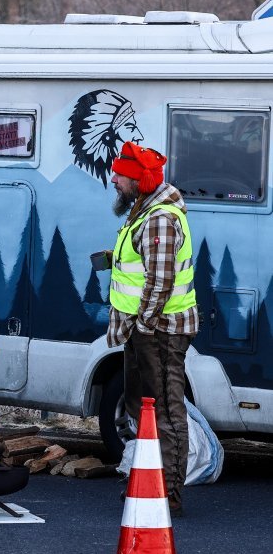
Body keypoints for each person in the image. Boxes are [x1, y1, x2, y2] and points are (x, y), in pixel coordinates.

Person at [106, 141, 199, 517]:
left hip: (159, 331)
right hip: (145, 330)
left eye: (120, 175)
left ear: (139, 180)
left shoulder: (159, 218)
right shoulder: (143, 210)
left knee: (164, 411)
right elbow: (144, 269)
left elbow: (160, 283)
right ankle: (147, 482)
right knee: (142, 408)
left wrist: (143, 326)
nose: (113, 179)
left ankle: (169, 494)